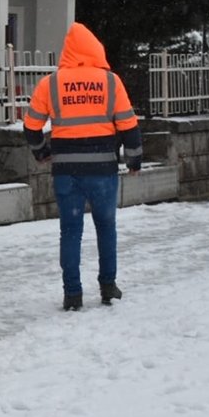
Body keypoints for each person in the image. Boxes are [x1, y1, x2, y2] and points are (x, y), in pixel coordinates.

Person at [23, 22, 142, 311]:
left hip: (66, 172)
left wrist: (42, 153)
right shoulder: (110, 82)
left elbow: (31, 126)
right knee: (106, 227)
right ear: (95, 49)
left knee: (70, 231)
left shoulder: (51, 84)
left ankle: (72, 294)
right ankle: (108, 286)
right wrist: (134, 159)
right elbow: (129, 126)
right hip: (103, 170)